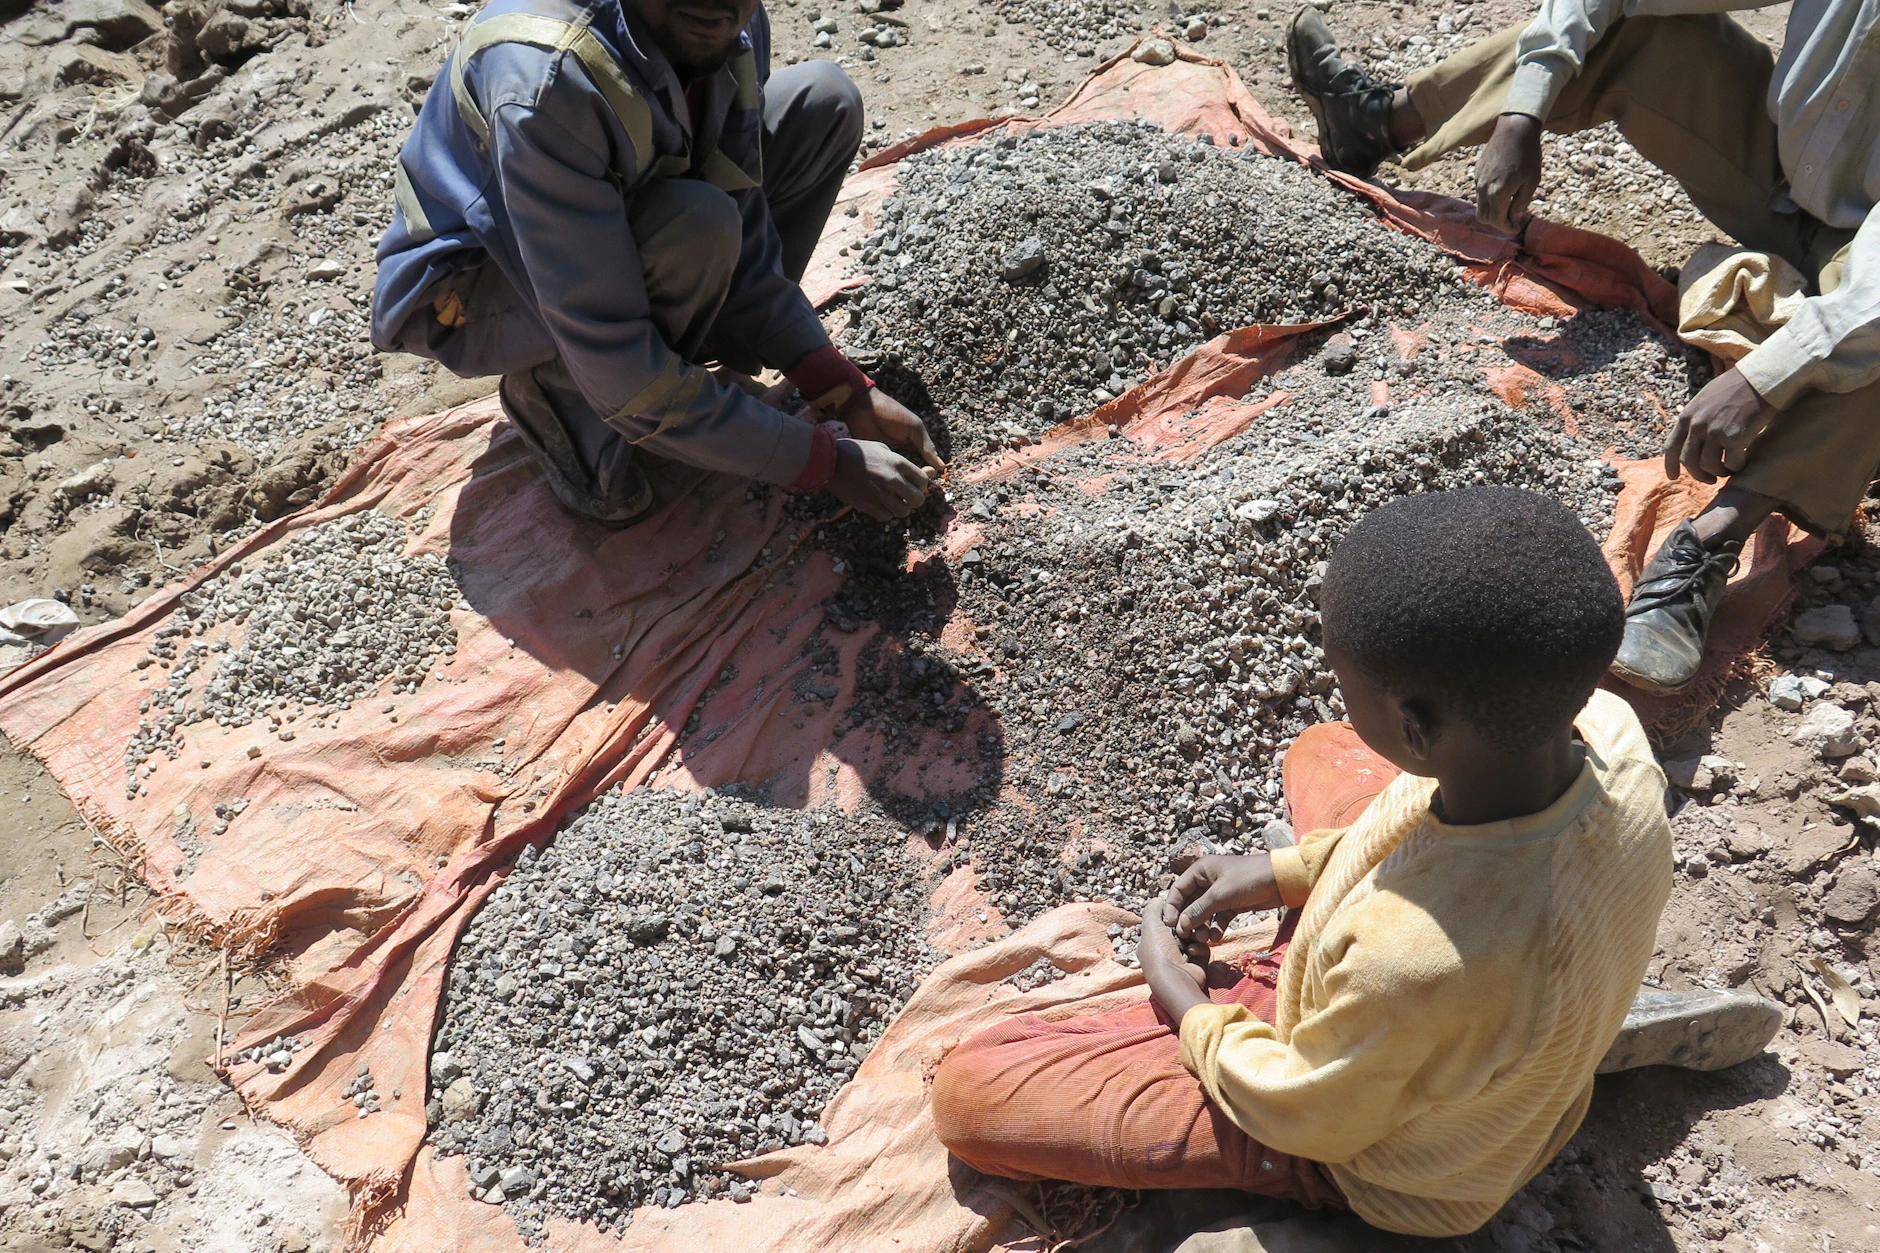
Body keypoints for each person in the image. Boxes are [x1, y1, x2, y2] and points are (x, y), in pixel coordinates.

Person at [930, 488, 1780, 1238]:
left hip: (1381, 1149)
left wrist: (1182, 996)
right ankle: (1556, 1035)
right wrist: (1285, 872)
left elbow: (1306, 1111)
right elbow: (1412, 820)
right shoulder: (1613, 739)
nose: (1340, 692)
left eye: (1345, 679)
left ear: (1415, 725)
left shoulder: (1411, 965)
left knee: (972, 1091)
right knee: (1326, 752)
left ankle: (1332, 1109)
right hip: (1489, 987)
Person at [1286, 0, 1880, 693]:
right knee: (1646, 31)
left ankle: (1706, 548)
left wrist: (1762, 379)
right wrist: (1523, 113)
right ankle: (1376, 121)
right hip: (1782, 170)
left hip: (1864, 256)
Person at [371, 0, 940, 527]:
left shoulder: (724, 20)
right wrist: (821, 462)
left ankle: (687, 369)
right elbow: (618, 354)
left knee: (823, 101)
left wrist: (838, 386)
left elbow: (744, 211)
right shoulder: (548, 80)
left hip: (615, 215)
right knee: (694, 227)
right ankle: (564, 401)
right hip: (468, 292)